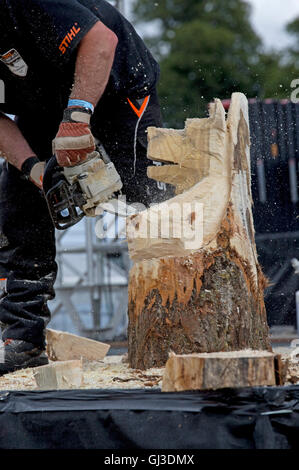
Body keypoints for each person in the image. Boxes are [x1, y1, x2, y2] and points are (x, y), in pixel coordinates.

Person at [0, 0, 169, 375]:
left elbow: (101, 41)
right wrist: (35, 170)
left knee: (151, 206)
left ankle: (179, 324)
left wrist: (76, 122)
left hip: (116, 86)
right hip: (41, 104)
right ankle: (23, 340)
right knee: (17, 211)